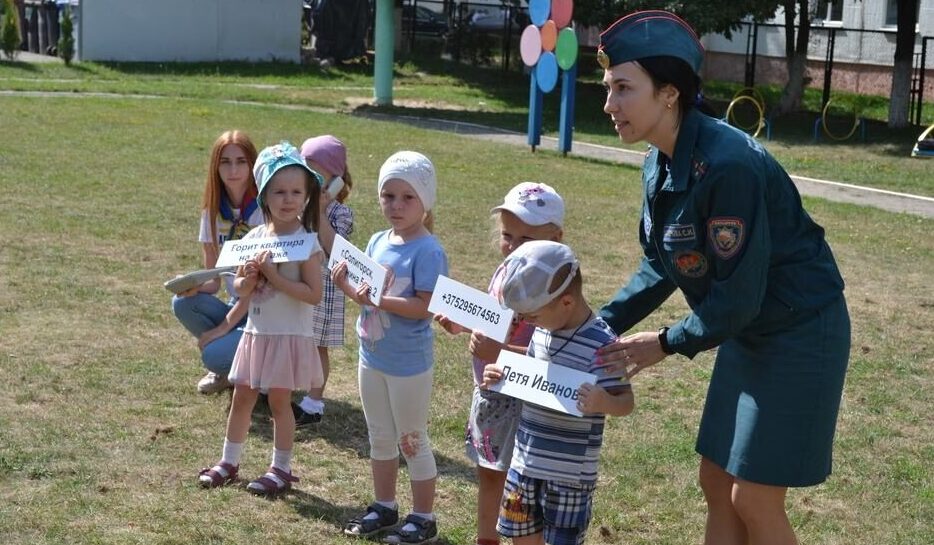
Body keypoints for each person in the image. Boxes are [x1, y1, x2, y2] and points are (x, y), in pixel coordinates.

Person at [594, 11, 850, 545]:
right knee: (716, 480)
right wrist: (598, 325)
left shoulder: (728, 165)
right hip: (747, 328)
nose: (609, 104)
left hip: (798, 331)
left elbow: (738, 298)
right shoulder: (657, 162)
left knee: (753, 496)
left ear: (668, 94)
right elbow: (661, 262)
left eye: (623, 87)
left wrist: (662, 344)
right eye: (608, 88)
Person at [435, 182, 565, 545]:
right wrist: (463, 323)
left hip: (527, 402)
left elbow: (555, 357)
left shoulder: (555, 291)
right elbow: (492, 321)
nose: (513, 246)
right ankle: (486, 538)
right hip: (491, 396)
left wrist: (501, 355)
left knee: (524, 485)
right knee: (489, 474)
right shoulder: (505, 271)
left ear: (556, 238)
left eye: (526, 239)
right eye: (508, 236)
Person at [481, 241, 635, 545]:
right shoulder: (543, 330)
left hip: (569, 476)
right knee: (521, 537)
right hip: (524, 463)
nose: (526, 323)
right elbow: (533, 370)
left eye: (532, 316)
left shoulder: (603, 344)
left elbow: (626, 402)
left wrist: (603, 401)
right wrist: (501, 373)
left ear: (566, 302)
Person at [197, 142, 325, 495]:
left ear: (307, 195)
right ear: (264, 197)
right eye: (279, 191)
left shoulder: (306, 242)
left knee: (280, 403)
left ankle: (280, 469)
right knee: (242, 397)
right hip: (257, 333)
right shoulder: (253, 237)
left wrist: (276, 275)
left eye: (296, 191)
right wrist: (249, 279)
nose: (288, 199)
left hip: (287, 335)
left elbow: (313, 294)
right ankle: (229, 462)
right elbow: (238, 287)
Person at [333, 151, 448, 544]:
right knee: (380, 436)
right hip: (372, 357)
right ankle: (384, 506)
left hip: (408, 365)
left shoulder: (428, 250)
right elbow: (368, 295)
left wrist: (378, 300)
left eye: (408, 197)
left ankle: (423, 518)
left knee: (411, 438)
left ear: (425, 201)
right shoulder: (378, 240)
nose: (396, 206)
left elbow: (424, 308)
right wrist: (348, 286)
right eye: (388, 195)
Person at [172, 130, 265, 394]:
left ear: (252, 166)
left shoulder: (265, 210)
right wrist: (192, 285)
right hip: (237, 304)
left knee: (212, 354)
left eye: (241, 161)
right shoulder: (212, 212)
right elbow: (214, 281)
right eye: (225, 161)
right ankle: (230, 372)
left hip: (262, 310)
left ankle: (254, 374)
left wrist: (220, 330)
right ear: (216, 166)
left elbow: (259, 287)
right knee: (182, 303)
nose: (233, 169)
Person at [292, 135, 355, 426]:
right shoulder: (294, 203)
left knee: (317, 347)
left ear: (335, 180)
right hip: (298, 286)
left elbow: (334, 248)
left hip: (325, 289)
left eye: (318, 175)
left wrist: (319, 209)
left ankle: (313, 402)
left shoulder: (340, 213)